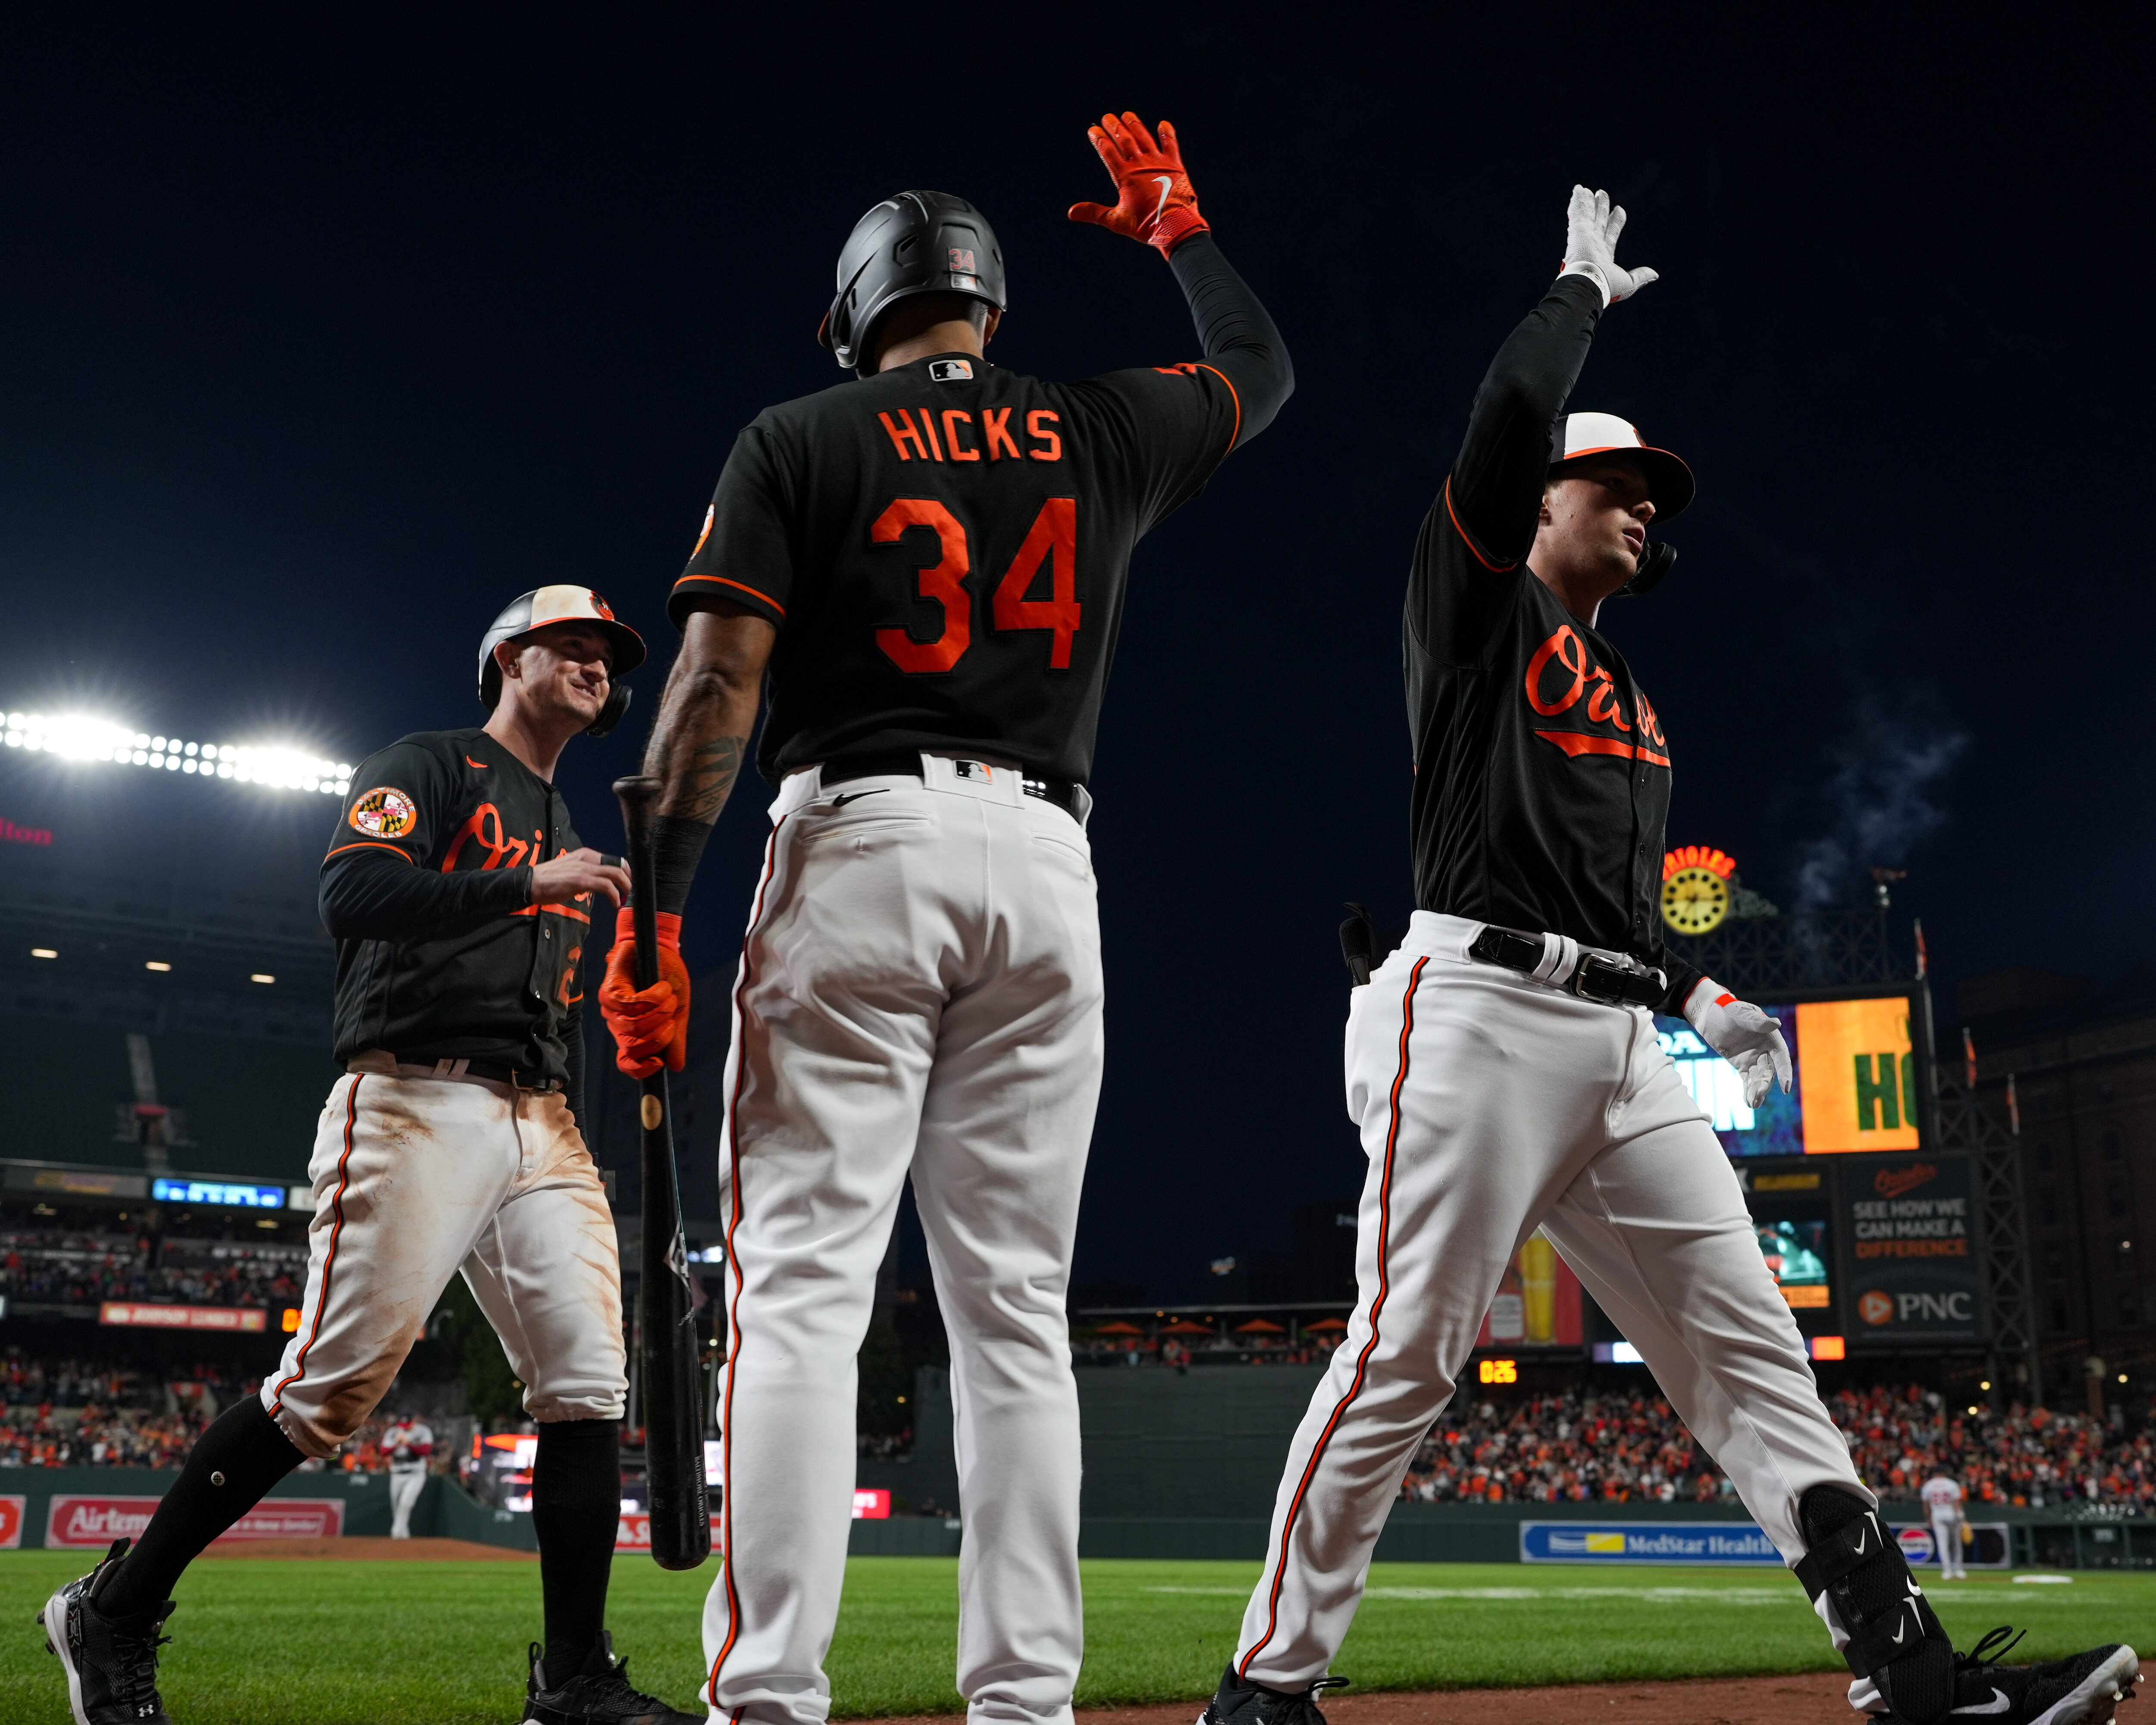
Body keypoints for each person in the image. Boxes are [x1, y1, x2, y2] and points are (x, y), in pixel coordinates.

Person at [1198, 190, 2140, 1725]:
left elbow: (1618, 910)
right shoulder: (1474, 610)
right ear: (1545, 498)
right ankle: (1263, 1684)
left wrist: (1696, 989)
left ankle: (1907, 1675)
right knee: (1410, 1347)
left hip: (1615, 1046)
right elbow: (1505, 417)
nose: (1646, 505)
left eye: (1653, 492)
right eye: (1618, 481)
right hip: (1476, 1010)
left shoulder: (1633, 705)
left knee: (1755, 1348)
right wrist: (1572, 295)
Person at [600, 113, 1291, 1725]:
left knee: (805, 1300)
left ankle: (769, 1693)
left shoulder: (800, 433)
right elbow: (1260, 370)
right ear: (992, 300)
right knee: (1011, 1319)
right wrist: (1182, 234)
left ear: (857, 307)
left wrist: (657, 917)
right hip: (1050, 866)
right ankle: (1022, 1703)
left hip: (858, 839)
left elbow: (712, 685)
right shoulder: (1099, 425)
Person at [41, 587, 702, 1725]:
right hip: (412, 1098)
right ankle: (115, 1608)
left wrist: (619, 1015)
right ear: (507, 658)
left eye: (608, 652)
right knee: (327, 1395)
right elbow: (349, 892)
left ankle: (575, 1678)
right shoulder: (429, 763)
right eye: (571, 642)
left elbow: (537, 991)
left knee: (588, 1389)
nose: (596, 660)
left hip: (541, 1123)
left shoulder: (562, 821)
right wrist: (525, 886)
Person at [383, 1410, 436, 1540]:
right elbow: (383, 1452)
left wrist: (408, 1444)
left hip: (416, 1474)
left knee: (406, 1503)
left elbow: (426, 1451)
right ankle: (404, 1537)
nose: (405, 1428)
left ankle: (396, 1532)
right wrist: (397, 1444)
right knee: (396, 1506)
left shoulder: (423, 1431)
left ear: (414, 1422)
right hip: (396, 1474)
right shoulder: (393, 1432)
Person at [1921, 1469, 1968, 1581]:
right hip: (1952, 1515)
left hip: (1937, 1516)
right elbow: (1957, 1503)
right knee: (1956, 1544)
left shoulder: (1928, 1485)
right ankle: (1959, 1570)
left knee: (1943, 1545)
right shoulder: (1952, 1484)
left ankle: (1947, 1572)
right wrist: (1963, 1519)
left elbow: (1926, 1505)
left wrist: (1928, 1518)